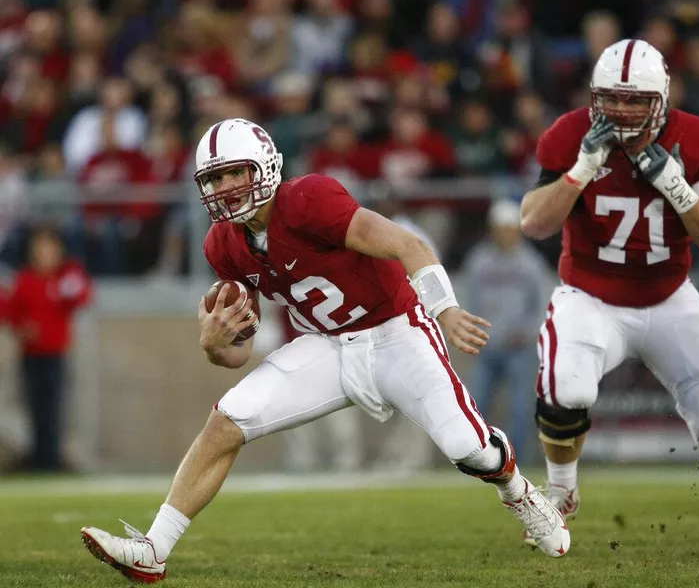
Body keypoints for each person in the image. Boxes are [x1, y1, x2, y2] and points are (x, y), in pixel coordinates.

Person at [79, 117, 570, 583]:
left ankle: (518, 490)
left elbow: (407, 244)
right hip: (329, 346)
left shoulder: (309, 199)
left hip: (397, 330)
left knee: (469, 449)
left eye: (235, 172)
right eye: (216, 178)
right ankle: (153, 549)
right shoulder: (223, 245)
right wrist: (211, 344)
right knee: (227, 419)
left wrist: (446, 309)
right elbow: (238, 352)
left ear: (265, 166)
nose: (226, 187)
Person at [519, 38, 699, 560]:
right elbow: (533, 221)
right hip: (590, 295)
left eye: (635, 100)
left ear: (661, 100)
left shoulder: (698, 139)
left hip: (668, 296)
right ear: (594, 97)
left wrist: (674, 182)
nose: (621, 111)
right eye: (611, 98)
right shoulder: (573, 134)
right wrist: (580, 170)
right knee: (564, 388)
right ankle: (560, 493)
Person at [462, 199, 555, 465]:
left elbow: (543, 305)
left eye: (509, 228)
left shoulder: (530, 263)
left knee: (520, 409)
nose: (505, 233)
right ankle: (476, 460)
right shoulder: (478, 260)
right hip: (486, 346)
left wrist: (526, 332)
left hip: (519, 347)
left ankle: (515, 463)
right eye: (501, 228)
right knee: (475, 406)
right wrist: (472, 333)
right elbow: (468, 301)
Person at [6, 226, 92, 472]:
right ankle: (38, 455)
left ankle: (52, 456)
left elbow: (83, 296)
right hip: (31, 354)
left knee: (54, 406)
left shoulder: (65, 278)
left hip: (55, 354)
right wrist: (23, 329)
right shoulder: (25, 280)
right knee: (35, 406)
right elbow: (12, 314)